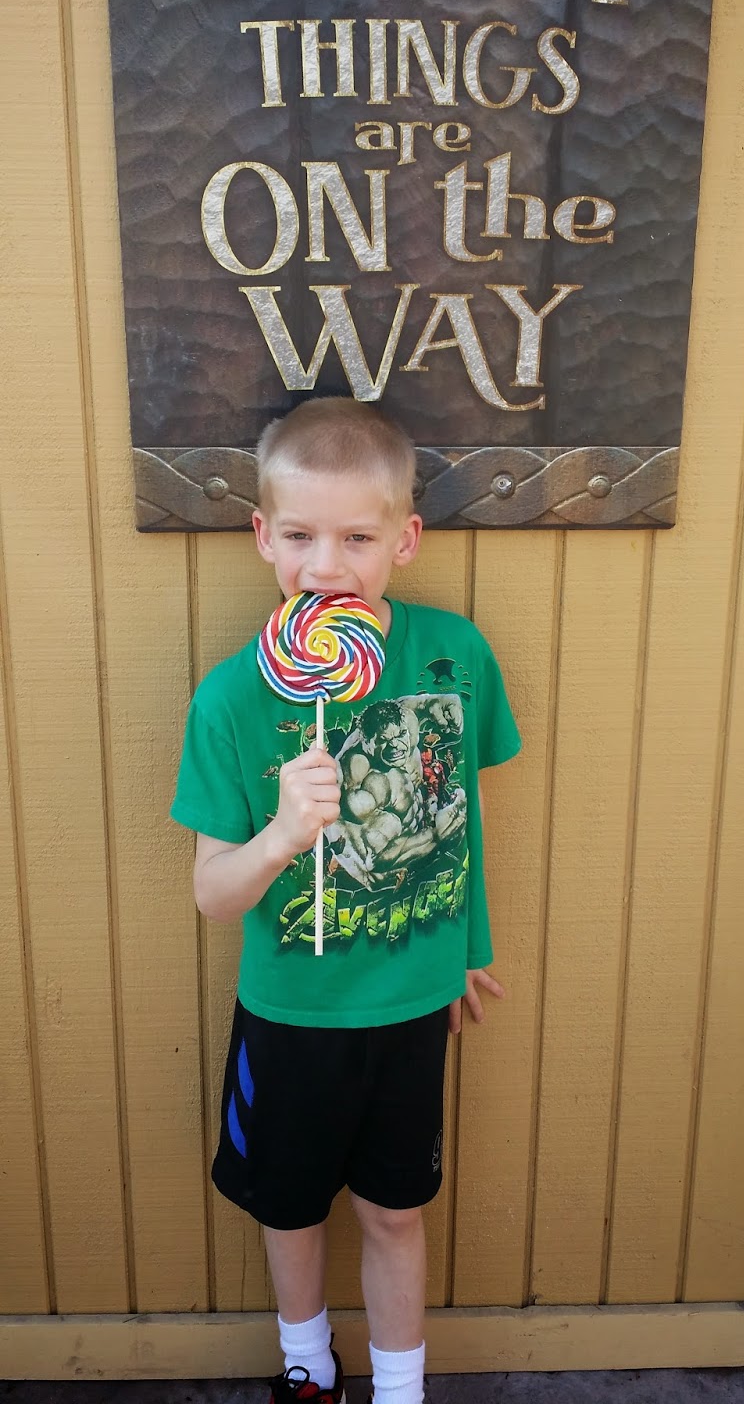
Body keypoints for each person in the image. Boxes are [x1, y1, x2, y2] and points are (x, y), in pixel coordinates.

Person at [171, 398, 521, 1404]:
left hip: (411, 1007)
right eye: (299, 536)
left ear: (405, 540)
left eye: (357, 538)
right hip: (292, 1015)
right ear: (262, 536)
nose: (325, 565)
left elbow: (461, 824)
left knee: (395, 1210)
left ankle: (401, 1389)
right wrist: (282, 836)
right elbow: (211, 892)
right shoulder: (232, 698)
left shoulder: (455, 656)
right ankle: (307, 1366)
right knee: (289, 1209)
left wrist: (465, 948)